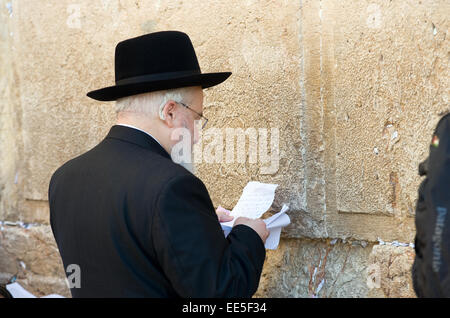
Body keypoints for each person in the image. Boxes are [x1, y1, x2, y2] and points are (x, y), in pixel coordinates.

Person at [48, 31, 269, 298]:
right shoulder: (173, 186)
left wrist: (198, 221)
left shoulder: (64, 178)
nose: (197, 135)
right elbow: (218, 295)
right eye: (197, 118)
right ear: (170, 111)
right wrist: (249, 236)